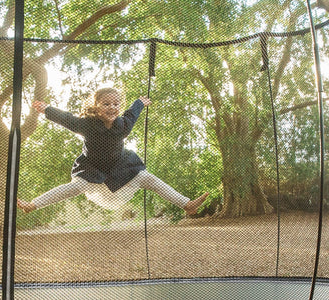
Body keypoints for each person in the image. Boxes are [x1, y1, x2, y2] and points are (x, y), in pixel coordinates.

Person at [18, 87, 209, 215]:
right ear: (96, 106)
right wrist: (47, 109)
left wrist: (140, 102)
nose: (112, 107)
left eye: (116, 104)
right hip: (92, 168)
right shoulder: (87, 124)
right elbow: (67, 119)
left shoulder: (123, 125)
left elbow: (132, 113)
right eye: (106, 104)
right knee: (75, 187)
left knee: (147, 178)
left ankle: (186, 204)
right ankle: (32, 205)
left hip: (120, 166)